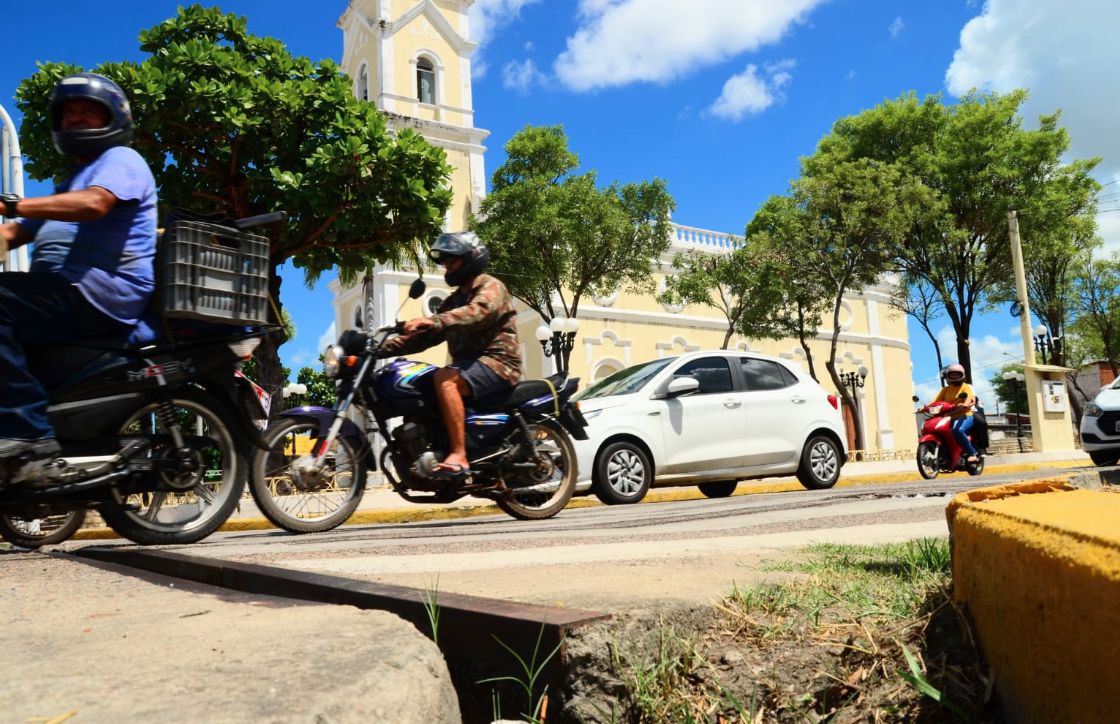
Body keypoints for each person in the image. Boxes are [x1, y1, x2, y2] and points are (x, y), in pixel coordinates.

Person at [0, 73, 157, 459]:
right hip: (69, 292)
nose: (76, 118)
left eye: (88, 110)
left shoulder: (121, 160)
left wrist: (11, 205)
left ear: (113, 119)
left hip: (103, 294)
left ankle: (30, 439)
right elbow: (15, 233)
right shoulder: (68, 185)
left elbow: (94, 204)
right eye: (69, 112)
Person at [378, 231, 520, 477]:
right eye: (444, 261)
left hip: (498, 363)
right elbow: (424, 337)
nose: (446, 266)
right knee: (418, 386)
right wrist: (375, 349)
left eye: (451, 260)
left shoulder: (490, 286)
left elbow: (477, 312)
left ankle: (459, 455)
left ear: (471, 258)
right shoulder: (454, 301)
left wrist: (432, 320)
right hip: (469, 366)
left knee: (444, 378)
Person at [931, 363, 980, 464]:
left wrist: (965, 404)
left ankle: (972, 453)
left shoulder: (965, 387)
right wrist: (924, 408)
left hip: (965, 415)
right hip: (948, 416)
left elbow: (969, 397)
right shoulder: (945, 389)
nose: (954, 376)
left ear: (962, 375)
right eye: (952, 374)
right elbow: (935, 401)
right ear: (948, 376)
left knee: (958, 430)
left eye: (957, 374)